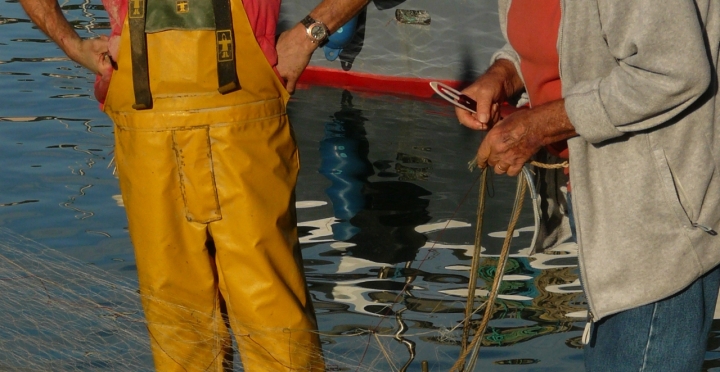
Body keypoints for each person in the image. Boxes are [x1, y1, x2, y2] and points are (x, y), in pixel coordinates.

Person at [18, 0, 369, 370]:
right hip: (167, 132)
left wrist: (308, 34)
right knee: (188, 320)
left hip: (222, 126)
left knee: (250, 315)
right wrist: (71, 44)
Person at [457, 0, 720, 370]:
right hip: (597, 203)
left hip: (660, 219)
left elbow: (673, 72)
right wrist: (505, 73)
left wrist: (537, 127)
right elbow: (559, 40)